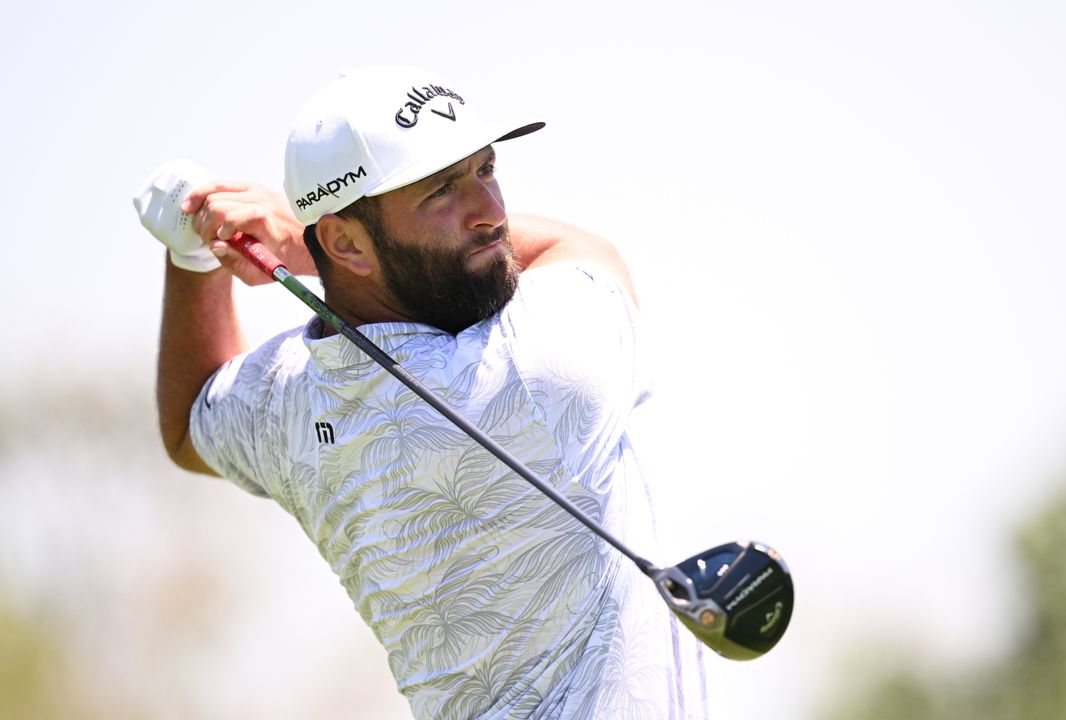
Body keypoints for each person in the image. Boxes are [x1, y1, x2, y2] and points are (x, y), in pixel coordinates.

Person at [135, 66, 710, 719]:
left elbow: (188, 424)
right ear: (346, 241)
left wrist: (192, 259)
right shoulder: (533, 373)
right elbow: (579, 248)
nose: (490, 213)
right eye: (442, 191)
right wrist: (297, 244)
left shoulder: (288, 403)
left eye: (485, 170)